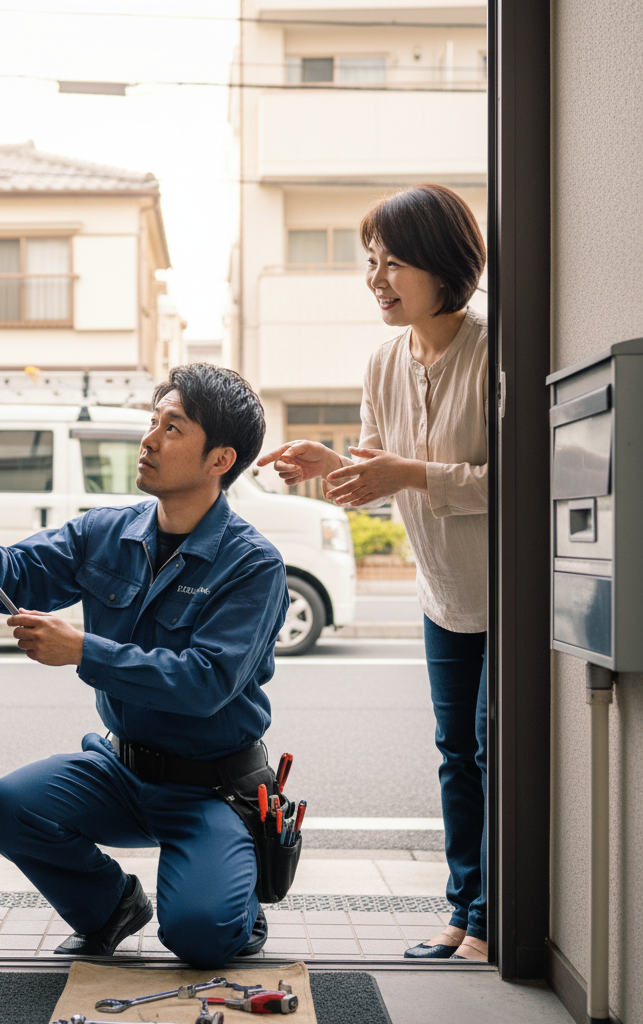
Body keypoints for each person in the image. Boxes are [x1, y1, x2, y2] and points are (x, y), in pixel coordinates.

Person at [0, 364, 289, 969]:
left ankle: (237, 905)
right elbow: (14, 576)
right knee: (10, 806)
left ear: (220, 459)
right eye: (153, 421)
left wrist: (83, 650)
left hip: (212, 790)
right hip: (120, 771)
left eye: (173, 428)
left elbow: (206, 684)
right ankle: (110, 906)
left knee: (201, 938)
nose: (148, 440)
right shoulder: (106, 531)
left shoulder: (253, 565)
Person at [258, 184, 489, 962]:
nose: (376, 279)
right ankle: (464, 912)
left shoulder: (494, 351)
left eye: (394, 262)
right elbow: (373, 473)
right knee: (457, 752)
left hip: (509, 597)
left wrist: (411, 474)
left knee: (495, 748)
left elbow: (515, 480)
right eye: (370, 262)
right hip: (442, 594)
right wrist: (330, 464)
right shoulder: (384, 360)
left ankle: (492, 919)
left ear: (444, 265)